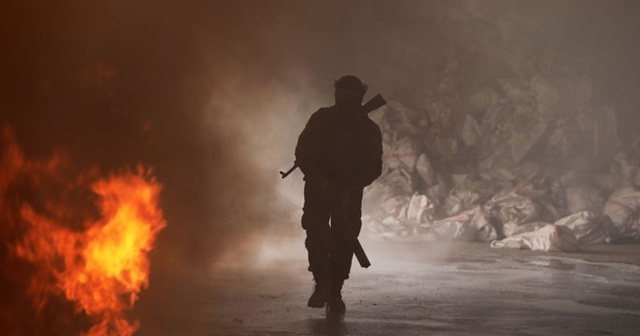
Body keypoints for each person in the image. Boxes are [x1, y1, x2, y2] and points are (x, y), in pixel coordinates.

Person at [295, 75, 383, 313]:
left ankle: (335, 292)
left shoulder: (367, 128)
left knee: (344, 240)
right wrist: (318, 178)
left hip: (349, 193)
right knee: (316, 237)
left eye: (349, 93)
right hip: (317, 189)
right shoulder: (322, 118)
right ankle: (321, 284)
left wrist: (350, 187)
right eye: (341, 92)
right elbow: (303, 152)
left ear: (360, 96)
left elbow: (374, 166)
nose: (343, 97)